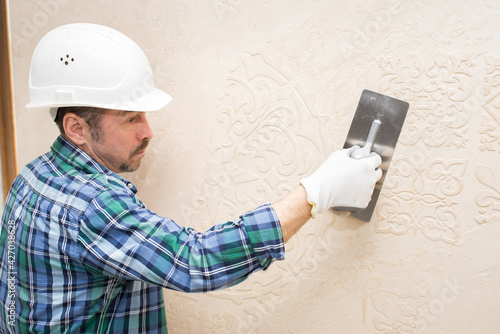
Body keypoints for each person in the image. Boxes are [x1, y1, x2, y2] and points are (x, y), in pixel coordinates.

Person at [0, 23, 382, 333]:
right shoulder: (93, 204)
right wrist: (316, 193)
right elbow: (194, 260)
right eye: (130, 118)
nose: (148, 132)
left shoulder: (32, 177)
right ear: (76, 128)